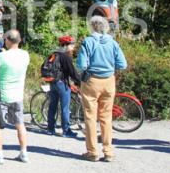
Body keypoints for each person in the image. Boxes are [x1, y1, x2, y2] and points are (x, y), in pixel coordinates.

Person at [76, 16, 127, 162]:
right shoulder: (113, 43)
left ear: (92, 26)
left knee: (90, 117)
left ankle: (92, 151)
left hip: (92, 81)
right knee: (106, 117)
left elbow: (81, 65)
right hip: (109, 81)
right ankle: (108, 151)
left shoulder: (88, 41)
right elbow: (123, 64)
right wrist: (110, 67)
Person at [0, 29, 31, 163]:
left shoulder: (1, 57)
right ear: (19, 40)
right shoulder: (25, 55)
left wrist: (2, 54)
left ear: (7, 40)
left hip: (2, 95)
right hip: (17, 94)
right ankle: (24, 152)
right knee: (20, 124)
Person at [46, 35, 81, 137]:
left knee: (52, 106)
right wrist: (79, 82)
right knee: (65, 108)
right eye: (72, 44)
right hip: (62, 84)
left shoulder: (54, 53)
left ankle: (50, 129)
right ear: (66, 45)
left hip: (53, 83)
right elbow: (72, 72)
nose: (73, 46)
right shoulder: (65, 56)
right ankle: (66, 131)